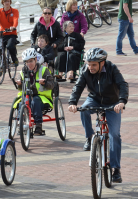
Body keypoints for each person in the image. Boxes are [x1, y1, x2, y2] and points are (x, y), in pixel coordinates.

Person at [68, 47, 129, 183]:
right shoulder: (85, 70)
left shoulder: (112, 68)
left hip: (113, 103)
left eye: (94, 64)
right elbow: (78, 87)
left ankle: (116, 169)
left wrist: (121, 102)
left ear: (103, 62)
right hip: (94, 99)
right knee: (83, 110)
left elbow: (123, 85)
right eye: (89, 64)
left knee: (114, 135)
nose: (90, 67)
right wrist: (72, 102)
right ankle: (90, 138)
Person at [15, 48, 54, 135]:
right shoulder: (23, 71)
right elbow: (19, 86)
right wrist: (19, 83)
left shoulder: (44, 70)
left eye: (31, 61)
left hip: (42, 97)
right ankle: (20, 123)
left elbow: (52, 85)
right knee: (22, 103)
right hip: (27, 95)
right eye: (26, 62)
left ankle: (39, 125)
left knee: (35, 101)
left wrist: (44, 83)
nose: (29, 64)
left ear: (36, 59)